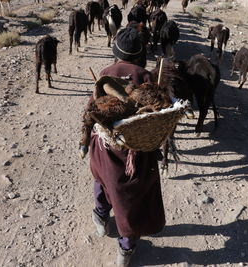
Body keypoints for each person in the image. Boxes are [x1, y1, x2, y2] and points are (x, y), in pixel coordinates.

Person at [87, 27, 165, 267]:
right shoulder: (146, 75)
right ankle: (126, 248)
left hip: (107, 149)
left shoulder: (105, 73)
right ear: (139, 53)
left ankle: (101, 216)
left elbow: (91, 110)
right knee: (134, 196)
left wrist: (84, 142)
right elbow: (159, 114)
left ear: (116, 51)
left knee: (103, 180)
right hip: (139, 151)